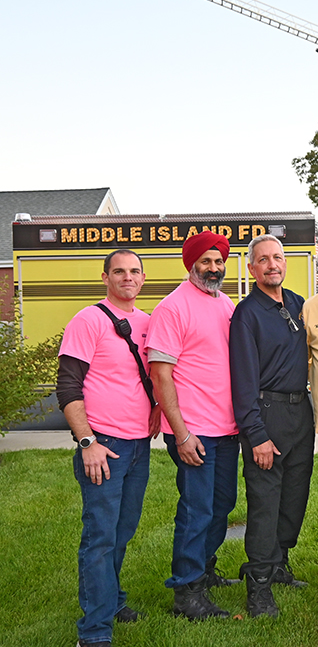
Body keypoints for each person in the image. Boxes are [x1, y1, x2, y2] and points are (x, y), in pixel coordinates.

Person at [57, 250, 158, 647]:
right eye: (119, 271)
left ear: (143, 279)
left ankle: (111, 601)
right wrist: (87, 442)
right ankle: (95, 632)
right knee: (99, 537)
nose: (127, 277)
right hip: (103, 446)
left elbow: (149, 378)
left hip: (137, 446)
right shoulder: (88, 320)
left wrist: (153, 411)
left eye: (134, 271)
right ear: (105, 277)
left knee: (122, 532)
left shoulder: (147, 322)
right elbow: (67, 387)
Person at [146, 230, 240, 620]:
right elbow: (160, 374)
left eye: (219, 261)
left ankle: (204, 568)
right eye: (206, 261)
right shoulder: (172, 308)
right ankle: (187, 591)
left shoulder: (226, 304)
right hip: (193, 431)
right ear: (192, 264)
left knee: (222, 506)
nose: (214, 268)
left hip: (226, 428)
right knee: (196, 510)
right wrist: (180, 432)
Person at [229, 234, 313, 617]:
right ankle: (258, 585)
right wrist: (257, 434)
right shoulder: (247, 314)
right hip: (267, 414)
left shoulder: (298, 304)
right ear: (252, 269)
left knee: (294, 497)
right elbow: (243, 380)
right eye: (263, 260)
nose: (272, 264)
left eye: (277, 257)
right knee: (265, 503)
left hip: (300, 414)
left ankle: (280, 561)